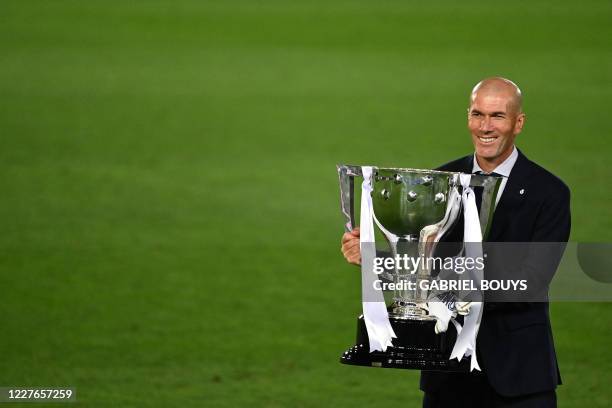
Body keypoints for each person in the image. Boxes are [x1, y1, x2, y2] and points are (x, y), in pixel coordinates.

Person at [340, 77, 571, 408]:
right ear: (468, 117)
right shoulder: (442, 182)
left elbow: (530, 281)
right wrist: (375, 257)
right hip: (447, 373)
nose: (485, 126)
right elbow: (423, 262)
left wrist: (449, 295)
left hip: (519, 376)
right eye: (477, 114)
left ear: (518, 123)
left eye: (497, 116)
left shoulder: (549, 193)